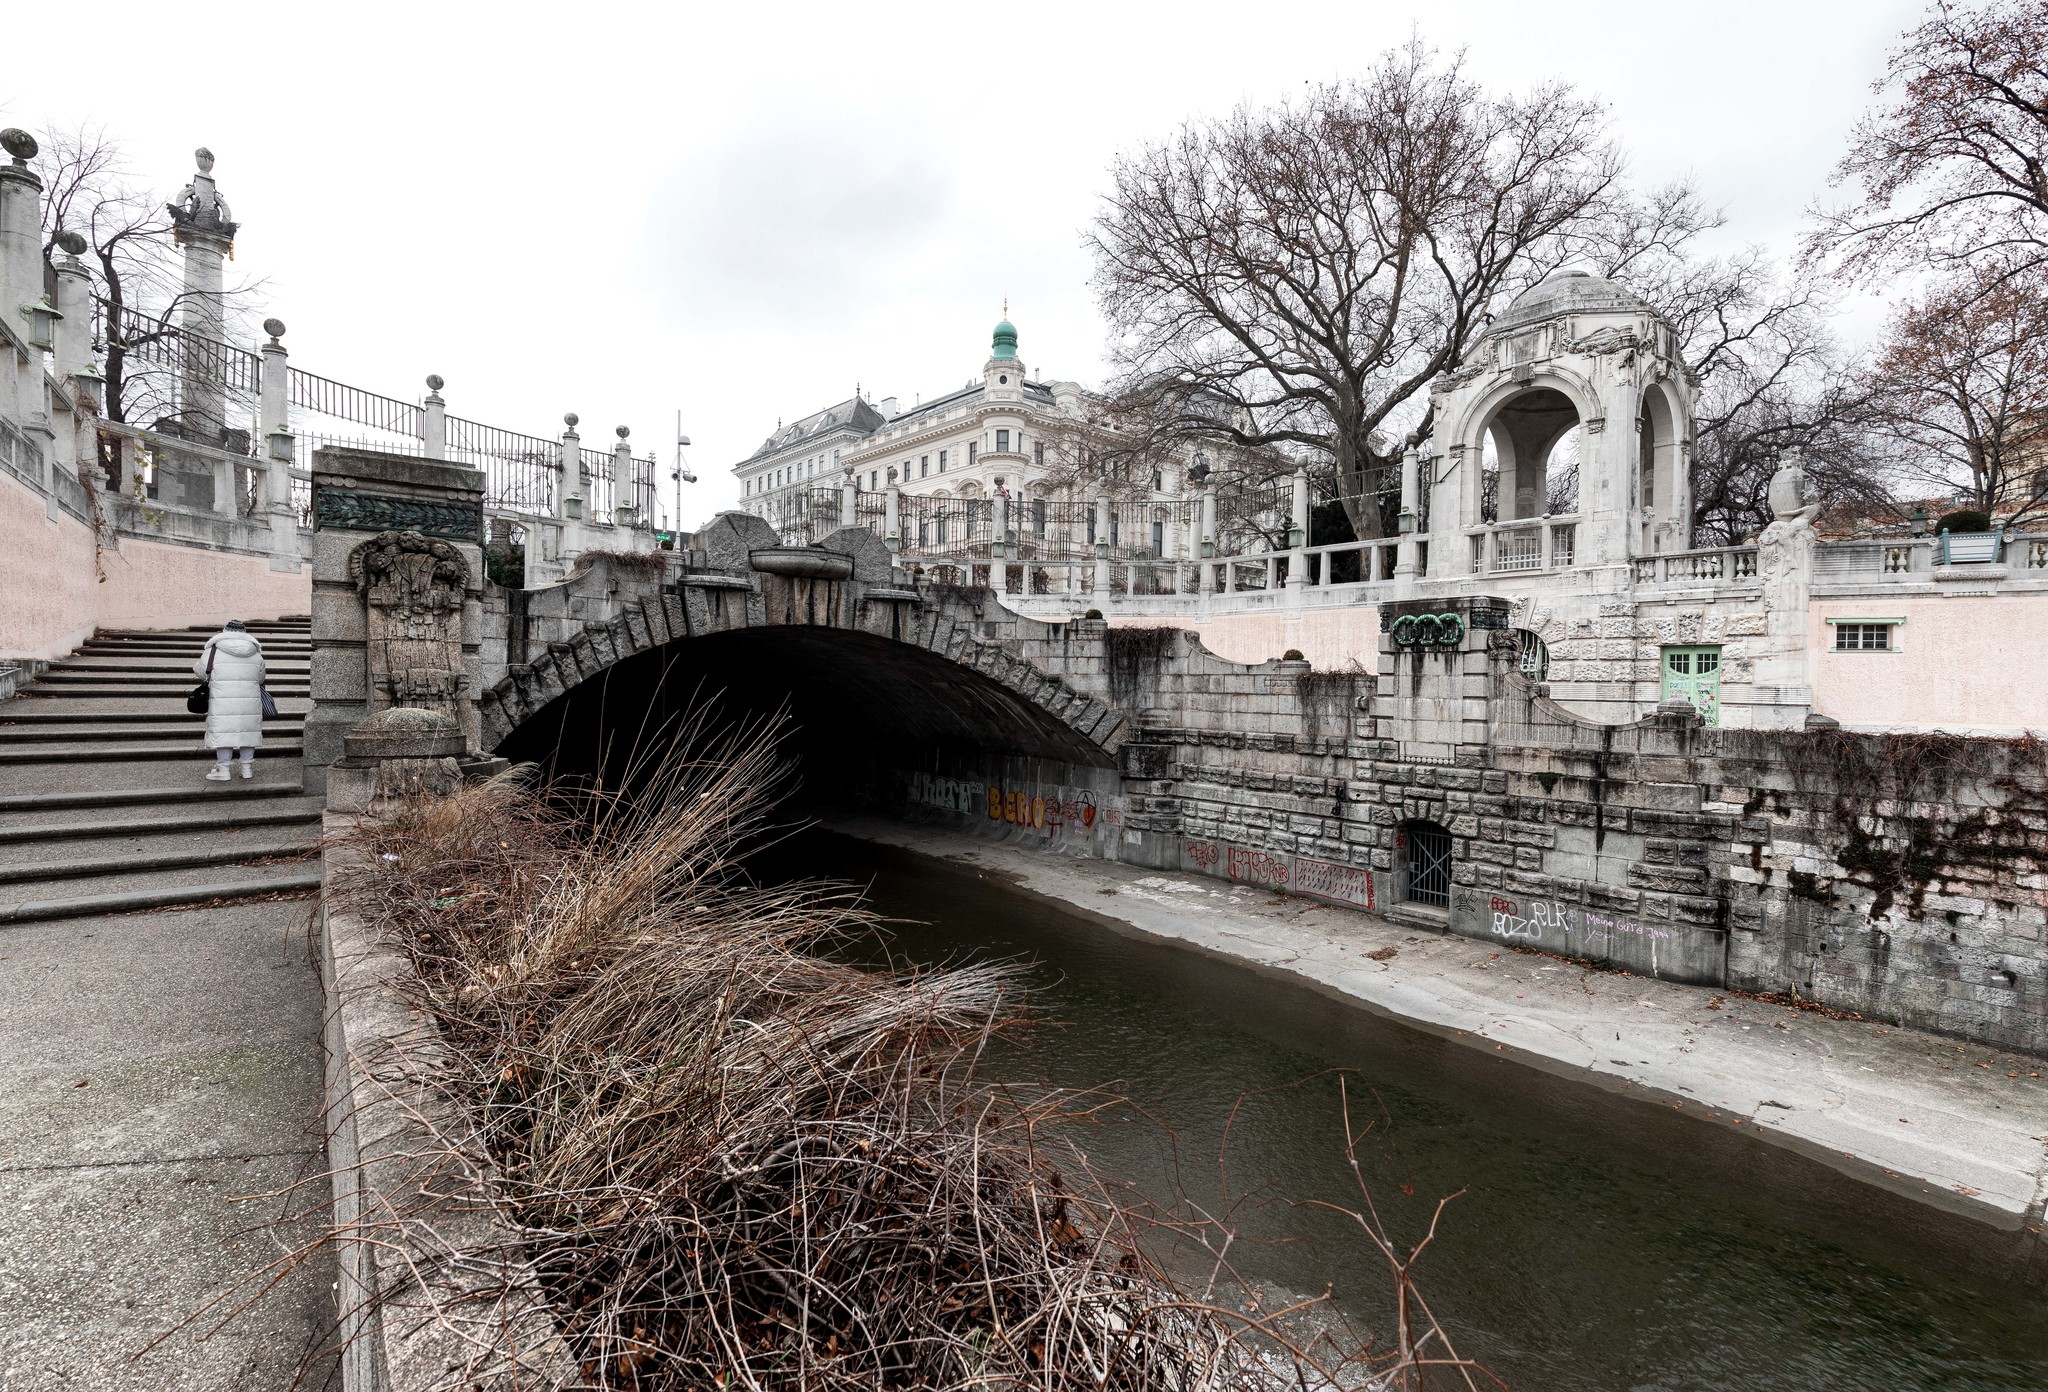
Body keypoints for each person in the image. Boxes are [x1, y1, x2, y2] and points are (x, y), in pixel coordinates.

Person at [194, 619, 267, 781]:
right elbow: (261, 677)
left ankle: (223, 770)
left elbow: (201, 672)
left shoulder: (213, 651)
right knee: (247, 732)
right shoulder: (255, 653)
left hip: (222, 700)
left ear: (225, 632)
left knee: (224, 732)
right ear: (244, 633)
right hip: (249, 700)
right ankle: (247, 769)